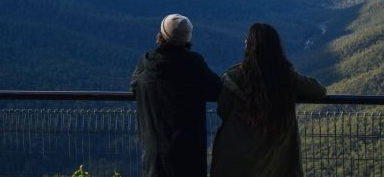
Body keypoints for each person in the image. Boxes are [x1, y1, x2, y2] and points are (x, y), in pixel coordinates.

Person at [211, 23, 327, 177]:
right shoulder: (286, 78)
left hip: (237, 154)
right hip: (276, 157)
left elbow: (222, 109)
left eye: (247, 41)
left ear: (250, 46)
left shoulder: (234, 78)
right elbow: (319, 90)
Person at [130, 13, 222, 177]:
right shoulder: (194, 64)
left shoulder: (145, 63)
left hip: (153, 154)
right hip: (188, 156)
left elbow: (134, 86)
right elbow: (217, 89)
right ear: (187, 39)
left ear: (161, 35)